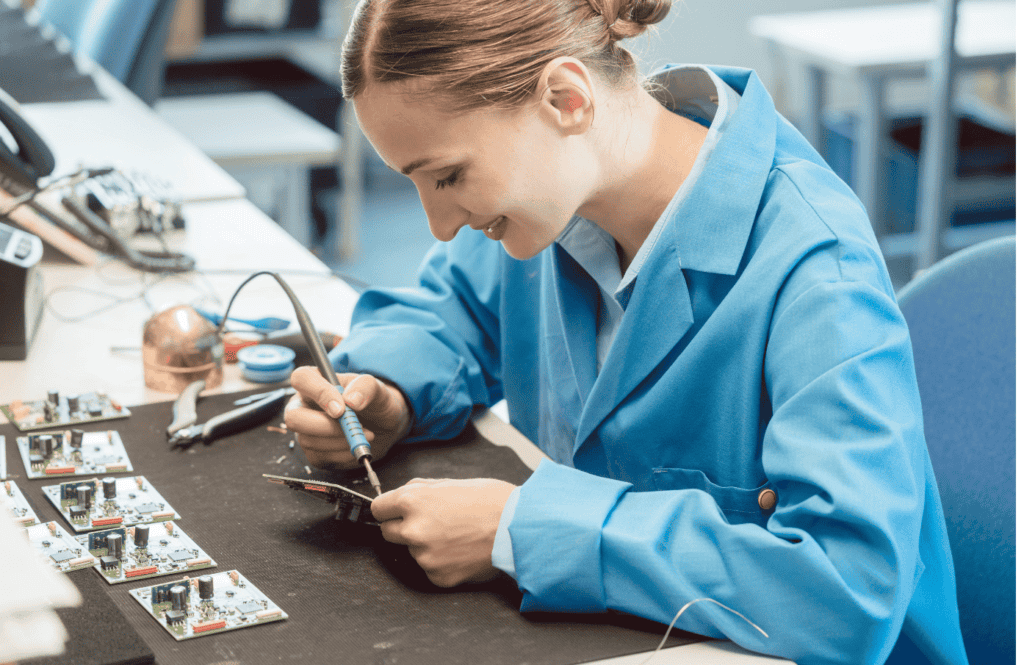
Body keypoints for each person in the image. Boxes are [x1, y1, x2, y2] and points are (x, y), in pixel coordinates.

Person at [284, 1, 969, 663]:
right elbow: (441, 313)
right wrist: (388, 393)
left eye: (448, 176)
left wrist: (520, 530)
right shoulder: (550, 198)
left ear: (565, 100)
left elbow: (848, 591)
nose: (438, 222)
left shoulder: (815, 268)